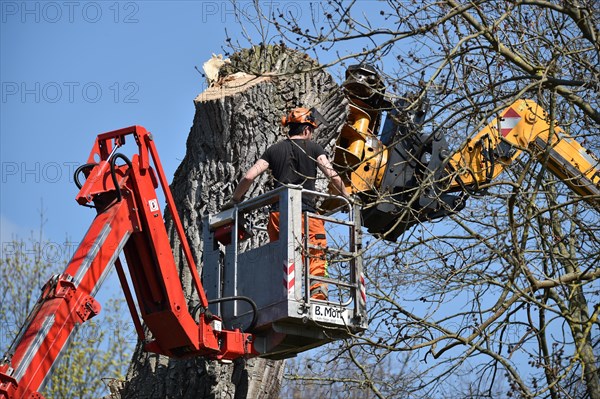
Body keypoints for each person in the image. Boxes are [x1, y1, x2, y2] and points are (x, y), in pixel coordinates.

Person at [225, 107, 349, 300]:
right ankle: (317, 296)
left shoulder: (274, 150)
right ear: (307, 130)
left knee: (281, 256)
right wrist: (347, 197)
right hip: (306, 214)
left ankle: (281, 296)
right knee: (315, 253)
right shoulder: (314, 148)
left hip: (278, 215)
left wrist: (235, 200)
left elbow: (249, 176)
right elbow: (332, 175)